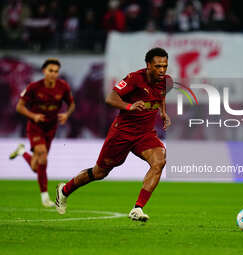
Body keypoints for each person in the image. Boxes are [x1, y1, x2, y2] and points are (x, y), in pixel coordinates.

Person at [55, 48, 171, 221]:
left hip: (145, 134)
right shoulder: (134, 79)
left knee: (159, 161)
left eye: (165, 66)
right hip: (122, 133)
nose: (162, 70)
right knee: (100, 172)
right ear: (148, 65)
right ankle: (64, 190)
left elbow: (160, 96)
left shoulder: (165, 81)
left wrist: (163, 112)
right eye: (158, 66)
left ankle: (137, 208)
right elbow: (111, 98)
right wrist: (129, 106)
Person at [9, 58, 75, 207]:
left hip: (51, 128)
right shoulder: (34, 87)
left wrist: (66, 114)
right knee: (43, 157)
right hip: (35, 126)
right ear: (44, 71)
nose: (53, 74)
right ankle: (45, 198)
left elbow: (71, 104)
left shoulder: (62, 86)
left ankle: (22, 152)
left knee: (36, 166)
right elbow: (19, 107)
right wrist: (33, 116)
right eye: (50, 71)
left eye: (56, 71)